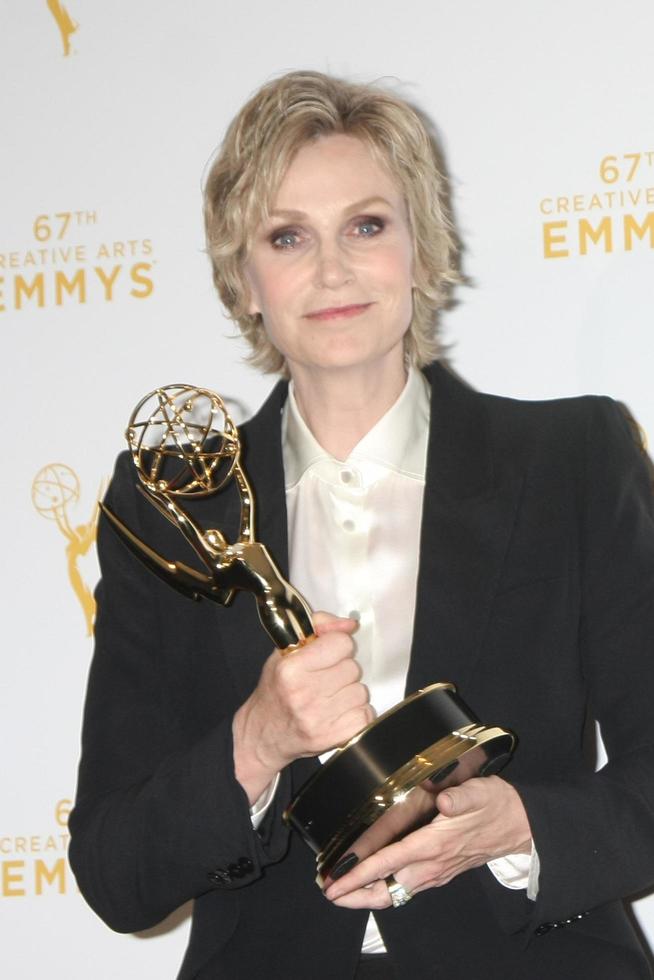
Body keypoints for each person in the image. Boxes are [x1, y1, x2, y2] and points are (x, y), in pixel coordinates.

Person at [69, 71, 654, 979]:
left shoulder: (573, 459)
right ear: (244, 279)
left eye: (367, 226)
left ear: (420, 247)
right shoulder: (172, 506)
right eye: (288, 236)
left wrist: (522, 827)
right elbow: (115, 870)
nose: (333, 269)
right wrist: (255, 740)